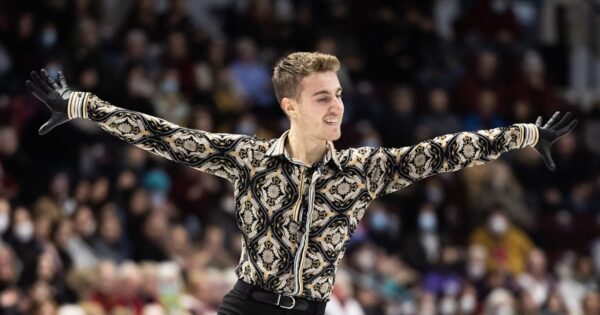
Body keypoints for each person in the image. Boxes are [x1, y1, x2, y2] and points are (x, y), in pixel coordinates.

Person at [25, 52, 577, 315]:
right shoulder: (247, 159)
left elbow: (440, 152)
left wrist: (526, 133)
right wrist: (80, 104)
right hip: (247, 305)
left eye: (338, 94)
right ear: (290, 105)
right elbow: (163, 135)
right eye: (323, 97)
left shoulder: (362, 170)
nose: (337, 106)